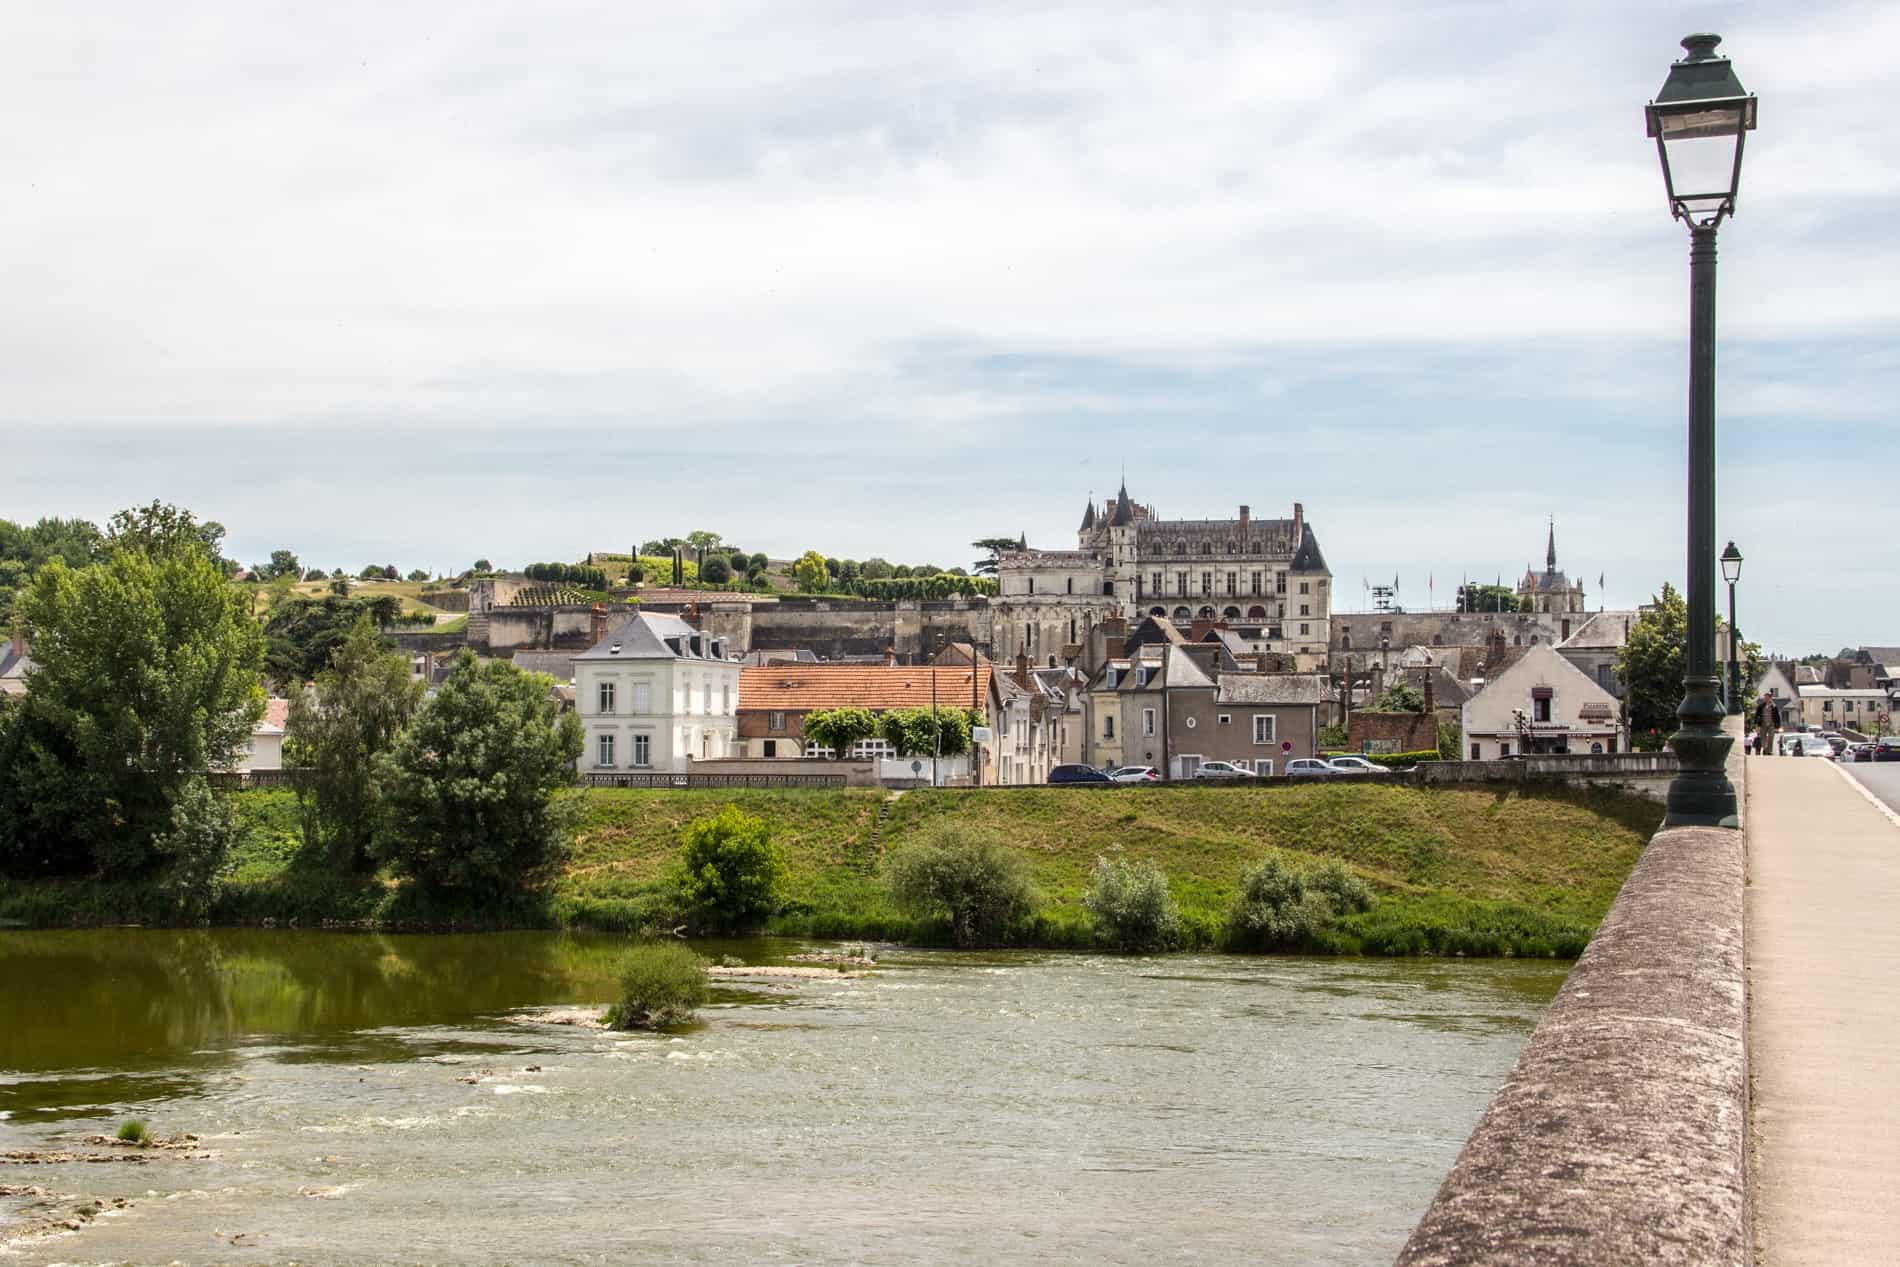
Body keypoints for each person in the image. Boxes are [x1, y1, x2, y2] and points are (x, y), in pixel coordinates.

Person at [1752, 692, 1781, 757]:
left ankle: (1769, 751)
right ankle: (1765, 748)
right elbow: (1757, 715)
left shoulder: (1774, 706)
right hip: (1763, 723)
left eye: (1767, 697)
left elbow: (1777, 716)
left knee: (1771, 737)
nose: (1765, 699)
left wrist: (1778, 726)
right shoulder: (1761, 706)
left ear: (1770, 698)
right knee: (1762, 737)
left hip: (1771, 723)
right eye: (1765, 697)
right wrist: (1756, 725)